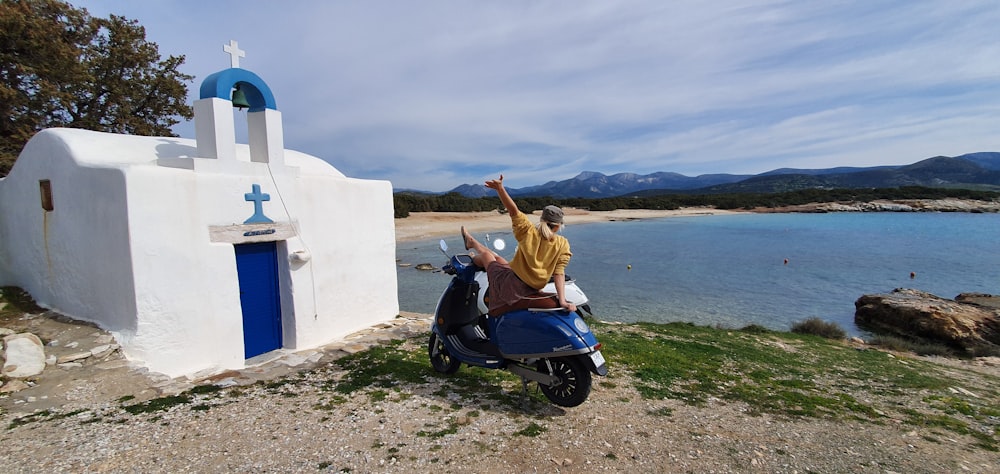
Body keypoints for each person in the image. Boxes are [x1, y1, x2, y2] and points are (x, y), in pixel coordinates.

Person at [461, 174, 576, 316]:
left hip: (512, 287)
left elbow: (513, 210)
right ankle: (472, 243)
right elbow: (559, 273)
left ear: (541, 219)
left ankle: (473, 256)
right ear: (558, 226)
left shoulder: (528, 230)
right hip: (531, 288)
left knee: (486, 255)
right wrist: (563, 300)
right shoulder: (563, 245)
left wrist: (500, 189)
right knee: (499, 259)